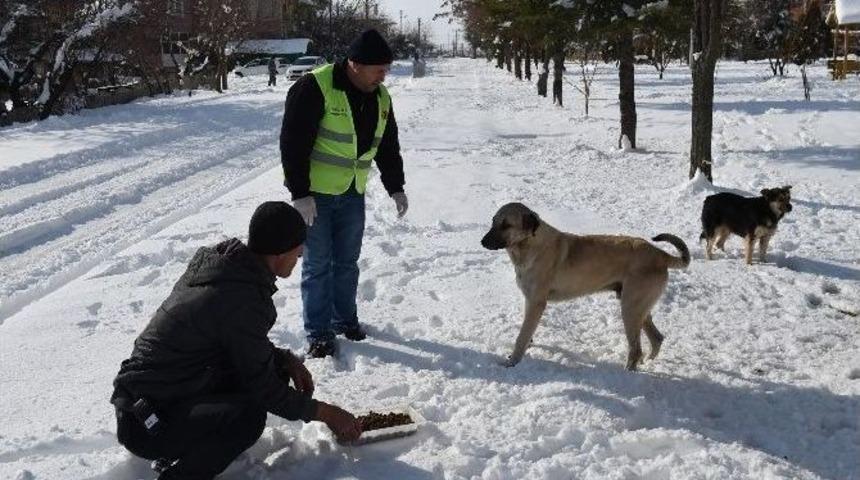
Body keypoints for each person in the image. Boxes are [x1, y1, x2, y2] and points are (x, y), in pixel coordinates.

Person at [110, 201, 362, 480]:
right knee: (247, 418)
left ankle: (186, 445)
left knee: (273, 371)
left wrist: (283, 359)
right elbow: (265, 390)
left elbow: (232, 340)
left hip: (152, 399)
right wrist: (328, 414)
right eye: (298, 249)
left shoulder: (227, 270)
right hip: (147, 422)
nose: (301, 254)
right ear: (279, 253)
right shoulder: (243, 298)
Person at [279, 29, 408, 358]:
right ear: (354, 65)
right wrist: (299, 193)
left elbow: (388, 145)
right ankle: (319, 332)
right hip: (315, 197)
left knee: (347, 263)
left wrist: (395, 186)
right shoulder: (315, 86)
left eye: (386, 69)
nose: (384, 76)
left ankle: (344, 319)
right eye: (378, 69)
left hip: (352, 192)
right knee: (318, 264)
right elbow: (293, 141)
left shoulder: (381, 98)